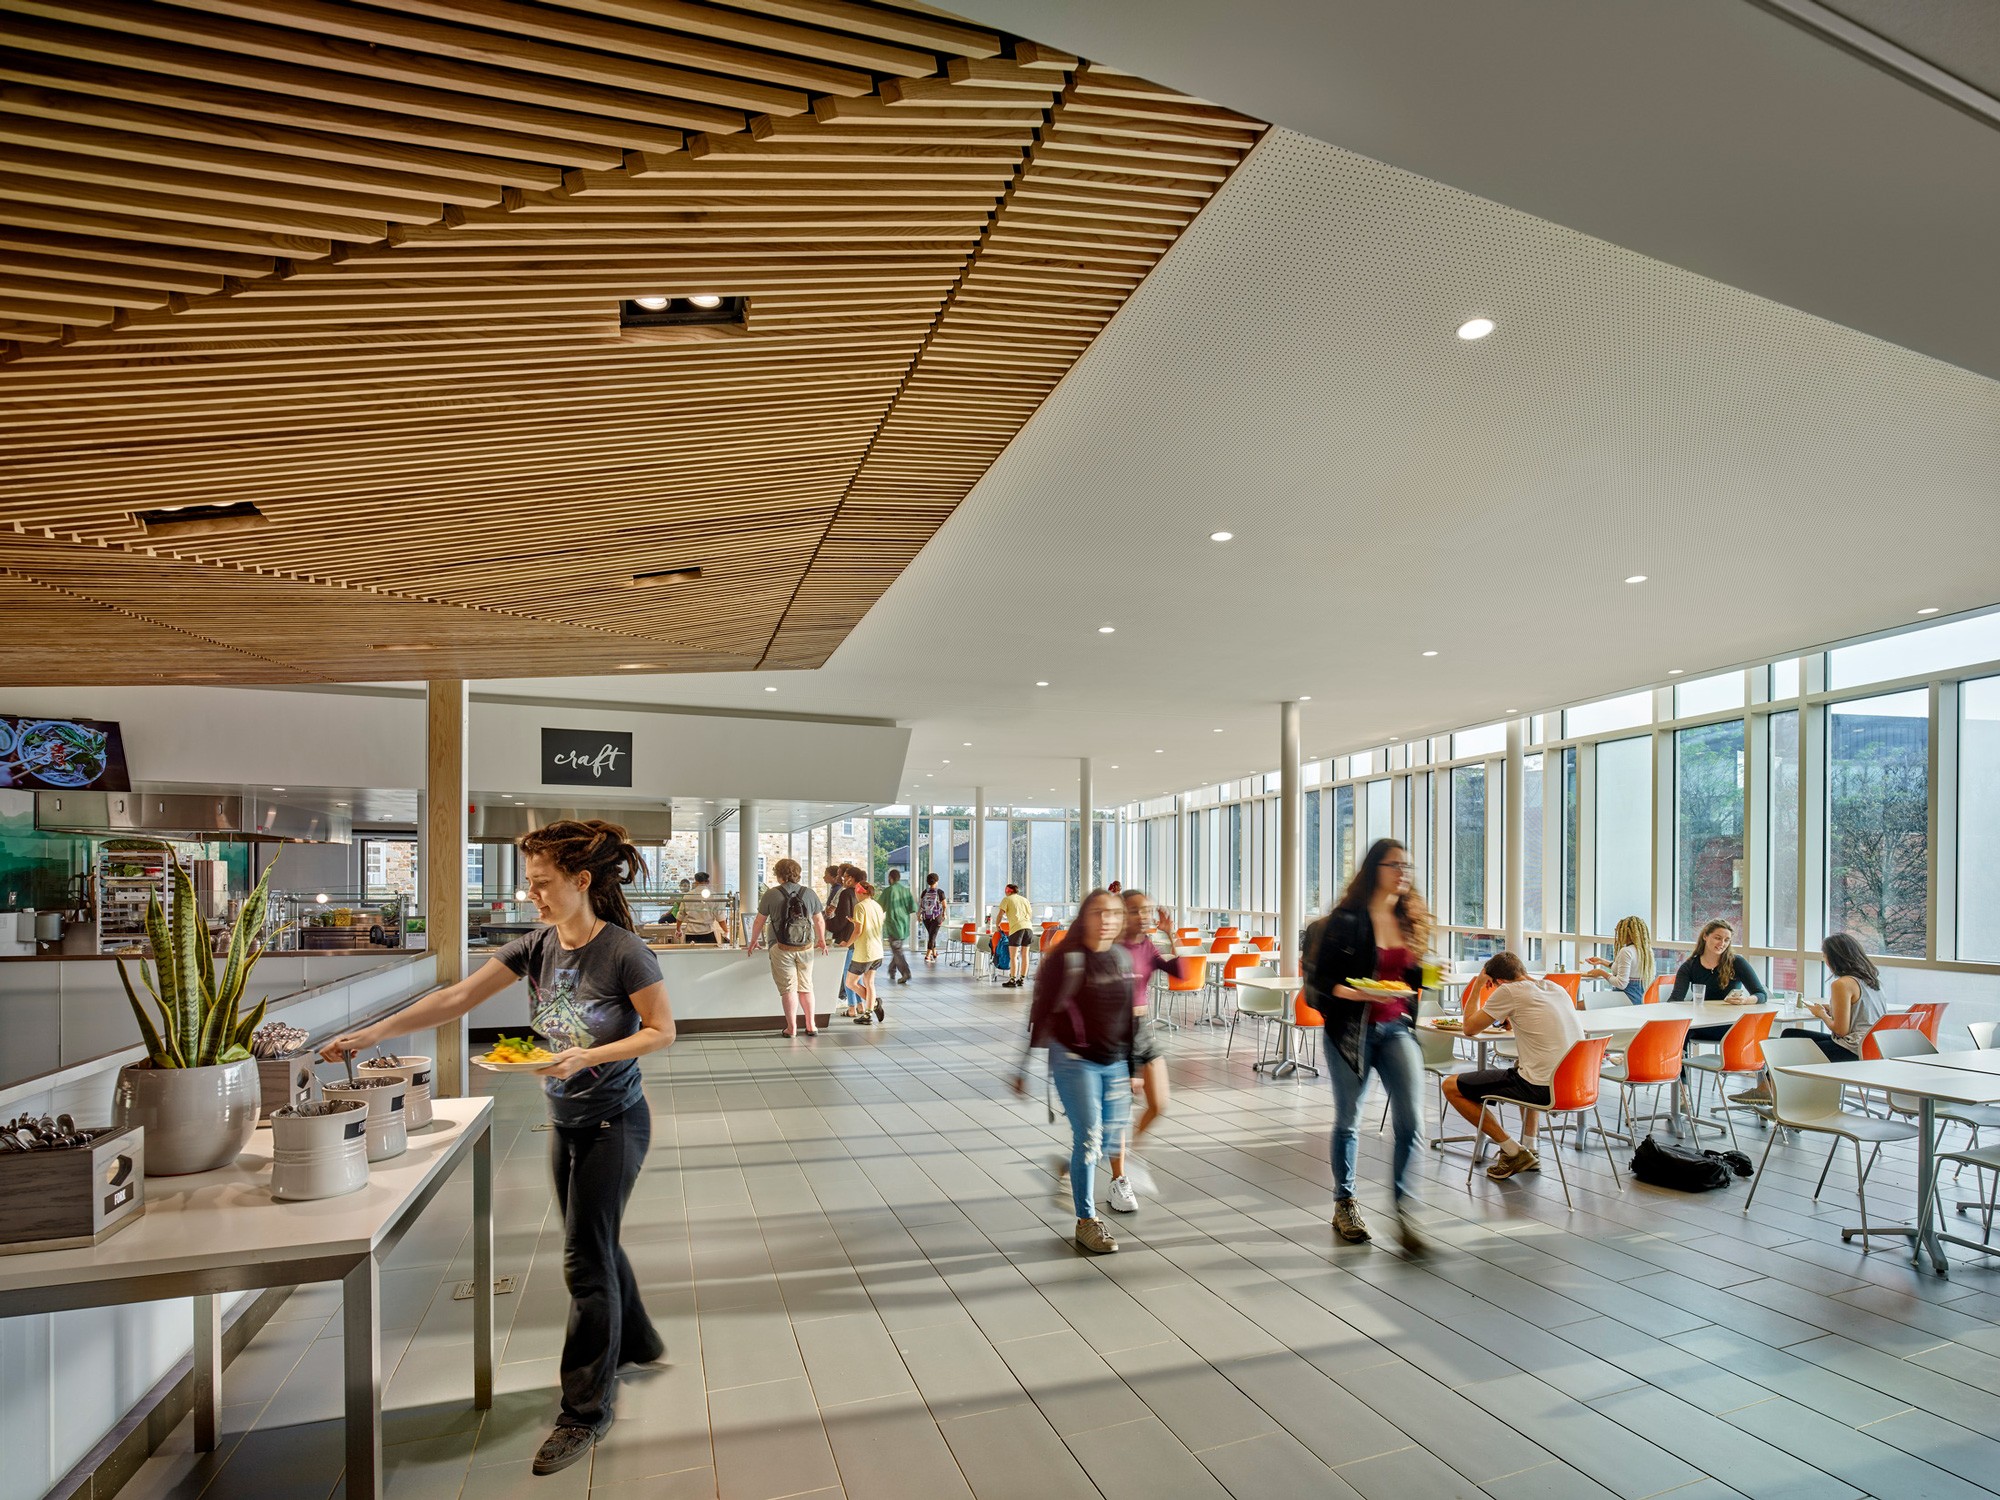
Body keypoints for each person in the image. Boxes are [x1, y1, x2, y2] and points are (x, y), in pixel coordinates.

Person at [321, 820, 674, 1477]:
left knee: (582, 1260)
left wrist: (586, 1056)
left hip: (616, 1123)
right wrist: (371, 1033)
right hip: (566, 1119)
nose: (530, 894)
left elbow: (661, 1031)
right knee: (592, 1238)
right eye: (529, 883)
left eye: (541, 884)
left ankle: (583, 1411)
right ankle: (640, 1339)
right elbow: (456, 998)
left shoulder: (625, 952)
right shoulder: (537, 945)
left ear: (582, 881)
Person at [1304, 837, 1431, 1253]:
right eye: (1396, 865)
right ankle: (1345, 1203)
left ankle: (1403, 1210)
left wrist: (1427, 975)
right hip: (1350, 1031)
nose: (1403, 873)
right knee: (1349, 1119)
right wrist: (1358, 994)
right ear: (1375, 868)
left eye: (1407, 866)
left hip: (1396, 1029)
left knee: (1412, 1122)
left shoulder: (1409, 920)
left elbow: (1409, 983)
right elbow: (1321, 983)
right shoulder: (1346, 920)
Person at [1011, 889, 1133, 1254]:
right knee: (1091, 1137)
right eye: (1099, 913)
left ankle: (1071, 1172)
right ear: (1084, 916)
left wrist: (1135, 1066)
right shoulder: (1066, 958)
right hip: (1073, 1060)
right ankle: (1087, 1221)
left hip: (1114, 1061)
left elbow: (1130, 1017)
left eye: (1114, 913)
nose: (1107, 920)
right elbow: (1040, 1012)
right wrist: (1022, 1066)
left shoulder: (1122, 958)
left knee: (1110, 1138)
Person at [1442, 952, 1584, 1179]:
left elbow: (1469, 1028)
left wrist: (1478, 985)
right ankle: (1531, 1147)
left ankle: (1513, 1151)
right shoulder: (1555, 988)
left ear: (1500, 982)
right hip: (1575, 1086)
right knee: (1524, 1066)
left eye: (1493, 985)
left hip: (1542, 1089)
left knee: (1450, 1085)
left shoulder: (1510, 991)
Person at [1106, 887, 1181, 1213]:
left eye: (1148, 910)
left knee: (1159, 1103)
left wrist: (1170, 934)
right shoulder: (1112, 949)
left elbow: (1180, 973)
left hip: (1143, 1032)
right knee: (1119, 1115)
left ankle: (1132, 1154)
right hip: (1117, 1035)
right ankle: (1118, 1179)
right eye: (1137, 910)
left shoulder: (1146, 945)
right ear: (1124, 913)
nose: (1145, 916)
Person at [746, 857, 827, 1037]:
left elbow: (759, 920)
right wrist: (821, 940)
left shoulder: (771, 894)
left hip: (781, 946)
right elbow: (819, 920)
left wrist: (753, 941)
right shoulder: (810, 893)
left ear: (779, 875)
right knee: (806, 986)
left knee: (789, 988)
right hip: (806, 947)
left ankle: (791, 1028)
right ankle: (811, 1025)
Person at [1781, 933, 1887, 1063]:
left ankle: (1769, 1083)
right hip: (1875, 1046)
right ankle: (1769, 1084)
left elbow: (1840, 1031)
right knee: (1790, 1034)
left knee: (1784, 1051)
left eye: (1824, 956)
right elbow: (1863, 1013)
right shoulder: (1872, 980)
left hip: (1853, 1049)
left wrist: (1821, 1014)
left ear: (1833, 958)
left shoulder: (1842, 984)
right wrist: (1833, 1010)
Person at [1671, 919, 1765, 1043]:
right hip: (1700, 1024)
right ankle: (1678, 1061)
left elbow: (1761, 994)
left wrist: (1745, 1000)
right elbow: (1675, 999)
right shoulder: (1690, 966)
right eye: (1717, 938)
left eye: (1727, 940)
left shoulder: (1736, 962)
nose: (1722, 943)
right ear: (1705, 936)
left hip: (1730, 1025)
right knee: (1677, 1030)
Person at [1582, 915, 1654, 1004]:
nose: (1618, 936)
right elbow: (1627, 970)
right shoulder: (1646, 951)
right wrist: (1601, 961)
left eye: (1620, 932)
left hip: (1625, 998)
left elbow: (1621, 984)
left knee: (1577, 1005)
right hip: (1640, 999)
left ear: (1627, 933)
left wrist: (1601, 972)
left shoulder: (1626, 951)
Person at [848, 878, 886, 1023]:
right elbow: (873, 924)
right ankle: (868, 1014)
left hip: (864, 951)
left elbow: (858, 931)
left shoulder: (859, 906)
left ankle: (875, 1003)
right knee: (869, 983)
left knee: (851, 983)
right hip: (877, 951)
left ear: (859, 892)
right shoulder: (877, 906)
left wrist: (847, 944)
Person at [824, 864, 859, 1010]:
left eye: (842, 875)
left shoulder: (845, 894)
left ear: (850, 878)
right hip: (857, 940)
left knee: (847, 973)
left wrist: (826, 923)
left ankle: (853, 1006)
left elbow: (842, 919)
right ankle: (862, 1005)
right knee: (857, 975)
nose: (841, 878)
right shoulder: (859, 895)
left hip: (846, 939)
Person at [881, 867, 915, 985]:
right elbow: (913, 908)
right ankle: (892, 970)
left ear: (890, 878)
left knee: (897, 950)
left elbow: (880, 907)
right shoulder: (906, 891)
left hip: (893, 925)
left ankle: (906, 972)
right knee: (897, 949)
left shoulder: (888, 891)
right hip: (903, 925)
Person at [999, 882, 1035, 988]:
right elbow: (1029, 915)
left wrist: (997, 925)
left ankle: (1012, 980)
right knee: (1025, 955)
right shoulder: (1025, 900)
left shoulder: (1007, 899)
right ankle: (1021, 979)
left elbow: (1000, 914)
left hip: (1016, 929)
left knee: (1013, 956)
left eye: (1006, 890)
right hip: (1028, 928)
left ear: (1008, 891)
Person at [918, 872, 946, 963]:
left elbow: (921, 905)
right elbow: (944, 905)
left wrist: (919, 915)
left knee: (931, 935)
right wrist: (944, 914)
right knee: (932, 936)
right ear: (936, 881)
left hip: (926, 917)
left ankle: (934, 953)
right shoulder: (940, 892)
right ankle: (927, 956)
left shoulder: (924, 892)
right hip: (936, 917)